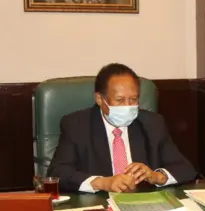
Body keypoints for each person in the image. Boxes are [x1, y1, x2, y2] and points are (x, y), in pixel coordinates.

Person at [48, 63, 197, 193]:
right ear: (100, 99)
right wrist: (103, 183)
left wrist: (156, 176)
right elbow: (58, 173)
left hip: (142, 204)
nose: (127, 106)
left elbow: (185, 168)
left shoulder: (153, 124)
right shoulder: (77, 125)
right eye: (119, 100)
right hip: (97, 208)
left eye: (133, 99)